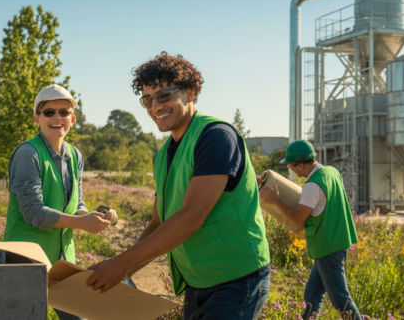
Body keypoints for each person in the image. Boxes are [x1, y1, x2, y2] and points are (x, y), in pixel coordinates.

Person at [86, 52, 271, 320]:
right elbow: (158, 222)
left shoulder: (217, 137)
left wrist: (121, 264)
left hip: (236, 278)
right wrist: (124, 271)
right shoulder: (164, 155)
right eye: (147, 100)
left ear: (190, 93)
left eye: (164, 96)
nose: (155, 107)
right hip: (199, 280)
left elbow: (192, 216)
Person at [0, 84, 111, 320]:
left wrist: (94, 217)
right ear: (36, 119)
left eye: (63, 112)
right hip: (25, 258)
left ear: (72, 118)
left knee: (78, 316)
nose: (57, 118)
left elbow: (76, 205)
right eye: (49, 112)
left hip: (62, 258)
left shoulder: (75, 155)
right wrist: (82, 223)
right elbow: (34, 214)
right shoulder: (27, 154)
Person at [259, 139, 361, 320]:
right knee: (313, 294)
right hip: (337, 241)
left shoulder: (312, 186)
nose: (291, 169)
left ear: (300, 165)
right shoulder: (330, 172)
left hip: (327, 246)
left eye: (291, 166)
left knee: (340, 300)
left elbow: (298, 219)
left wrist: (275, 200)